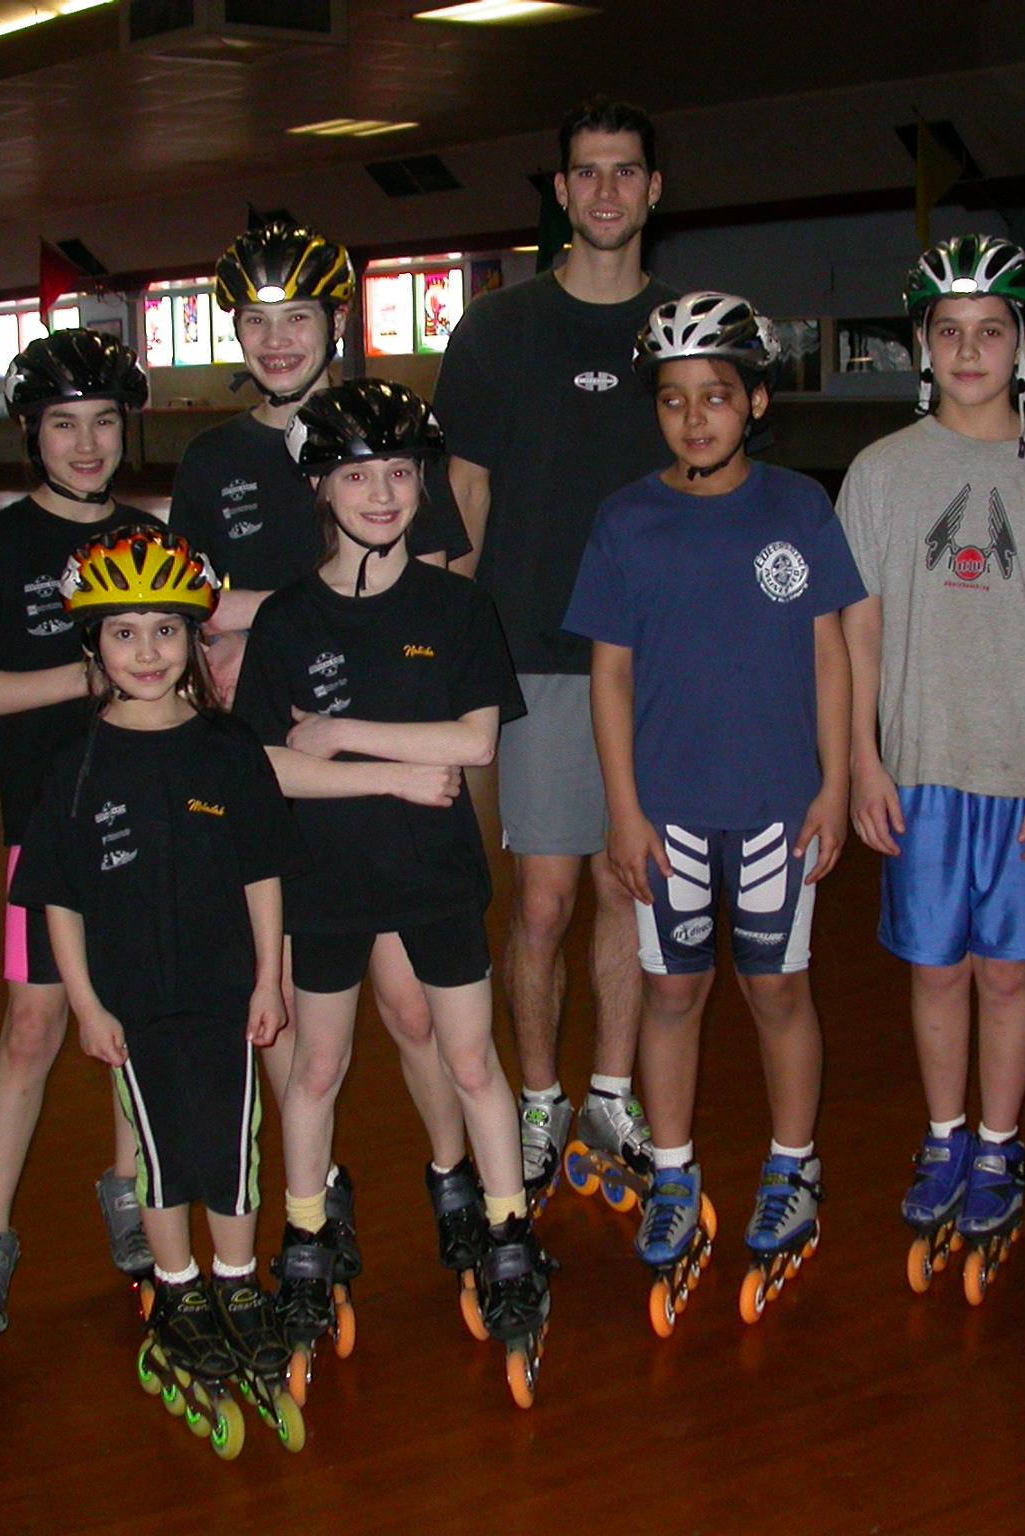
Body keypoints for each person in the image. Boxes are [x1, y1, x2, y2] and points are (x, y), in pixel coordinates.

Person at [168, 211, 476, 1299]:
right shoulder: (215, 459)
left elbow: (438, 572)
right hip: (265, 759)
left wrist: (260, 616)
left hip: (373, 751)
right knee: (290, 1011)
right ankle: (320, 1193)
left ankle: (454, 1181)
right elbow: (185, 606)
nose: (278, 340)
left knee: (406, 1003)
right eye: (256, 322)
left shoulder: (381, 433)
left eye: (297, 317)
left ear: (330, 322)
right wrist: (248, 626)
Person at [235, 379, 553, 1407]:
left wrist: (339, 735)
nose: (382, 492)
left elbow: (470, 741)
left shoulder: (456, 606)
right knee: (315, 1069)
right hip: (322, 884)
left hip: (432, 882)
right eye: (358, 475)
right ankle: (306, 1241)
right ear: (320, 488)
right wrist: (388, 774)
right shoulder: (286, 618)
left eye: (399, 473)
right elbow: (267, 767)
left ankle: (505, 1231)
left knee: (469, 1056)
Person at [837, 235, 1025, 1304]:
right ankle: (942, 1138)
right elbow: (854, 632)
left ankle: (1000, 1144)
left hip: (1022, 772)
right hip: (917, 767)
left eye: (991, 331)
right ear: (920, 345)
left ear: (1023, 345)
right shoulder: (879, 472)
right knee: (934, 967)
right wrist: (861, 761)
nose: (969, 349)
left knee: (1009, 968)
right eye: (948, 331)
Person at [564, 292, 863, 1331]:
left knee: (778, 991)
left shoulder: (798, 509)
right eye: (675, 400)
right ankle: (677, 1169)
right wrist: (623, 811)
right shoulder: (625, 519)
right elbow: (608, 676)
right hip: (671, 813)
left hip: (779, 805)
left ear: (757, 401)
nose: (695, 418)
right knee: (673, 993)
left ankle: (793, 1165)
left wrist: (831, 781)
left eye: (717, 397)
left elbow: (829, 650)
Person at [9, 524, 308, 1451]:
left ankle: (232, 1282)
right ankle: (176, 1297)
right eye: (124, 632)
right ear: (93, 646)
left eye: (165, 631)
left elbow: (264, 871)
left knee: (231, 1145)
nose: (146, 651)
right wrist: (88, 1004)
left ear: (194, 638)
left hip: (226, 989)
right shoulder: (75, 764)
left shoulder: (228, 749)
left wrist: (271, 976)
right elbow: (55, 895)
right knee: (157, 1150)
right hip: (133, 1001)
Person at [432, 95, 679, 1208]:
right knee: (538, 903)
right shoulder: (498, 331)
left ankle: (611, 1097)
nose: (606, 191)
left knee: (628, 891)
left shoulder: (682, 331)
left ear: (652, 190)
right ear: (561, 192)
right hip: (534, 650)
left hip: (660, 662)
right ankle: (538, 1101)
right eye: (586, 172)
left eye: (624, 171)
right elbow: (466, 493)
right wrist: (445, 640)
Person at [0, 330, 161, 1367]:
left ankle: (127, 1191)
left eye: (104, 422)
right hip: (44, 836)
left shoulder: (148, 542)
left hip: (140, 829)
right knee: (33, 1028)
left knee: (133, 1027)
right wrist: (80, 681)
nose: (86, 443)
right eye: (64, 424)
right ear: (33, 434)